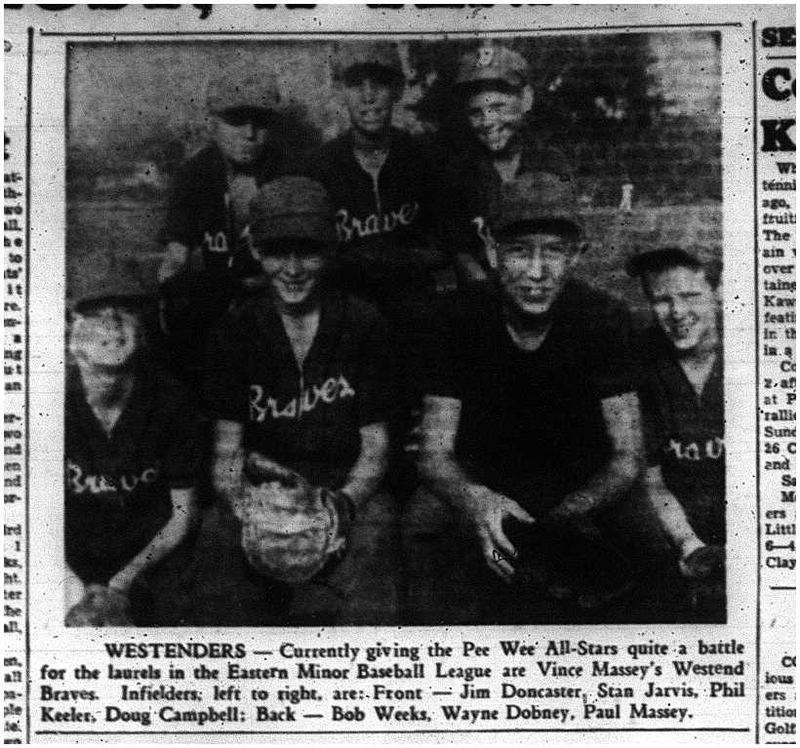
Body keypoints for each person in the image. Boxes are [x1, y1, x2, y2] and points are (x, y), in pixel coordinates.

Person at [403, 173, 644, 624]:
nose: (536, 272)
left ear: (577, 256)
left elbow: (628, 456)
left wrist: (575, 510)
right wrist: (477, 500)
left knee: (643, 536)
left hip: (580, 482)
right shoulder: (454, 318)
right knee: (425, 524)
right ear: (492, 252)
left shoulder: (606, 319)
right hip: (483, 477)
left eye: (553, 251)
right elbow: (434, 453)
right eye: (519, 251)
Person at [194, 176, 399, 625]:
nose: (292, 268)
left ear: (329, 251)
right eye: (276, 252)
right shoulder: (234, 332)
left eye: (307, 251)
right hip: (265, 491)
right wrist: (244, 505)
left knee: (378, 531)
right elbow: (227, 454)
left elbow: (376, 447)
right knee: (214, 533)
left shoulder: (363, 322)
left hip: (343, 486)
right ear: (256, 252)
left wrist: (342, 506)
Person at [64, 271, 201, 626]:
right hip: (69, 558)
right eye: (97, 315)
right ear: (74, 330)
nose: (111, 328)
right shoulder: (49, 398)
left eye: (124, 313)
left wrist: (122, 583)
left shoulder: (171, 399)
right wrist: (76, 588)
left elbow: (182, 515)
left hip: (151, 552)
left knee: (170, 618)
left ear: (141, 330)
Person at [157, 66, 286, 388]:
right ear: (212, 123)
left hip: (278, 288)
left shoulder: (287, 173)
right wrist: (169, 294)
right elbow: (176, 254)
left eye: (260, 122)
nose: (249, 133)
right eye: (236, 120)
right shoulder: (194, 176)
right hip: (217, 294)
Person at [628, 245, 725, 622]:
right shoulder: (642, 364)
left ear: (717, 292)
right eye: (662, 300)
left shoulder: (755, 353)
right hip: (678, 530)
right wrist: (689, 545)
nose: (678, 312)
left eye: (690, 296)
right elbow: (649, 480)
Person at [443, 40, 573, 287]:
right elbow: (460, 250)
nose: (487, 121)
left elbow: (563, 246)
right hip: (484, 297)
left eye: (498, 107)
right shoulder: (459, 173)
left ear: (526, 100)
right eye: (476, 112)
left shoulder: (551, 164)